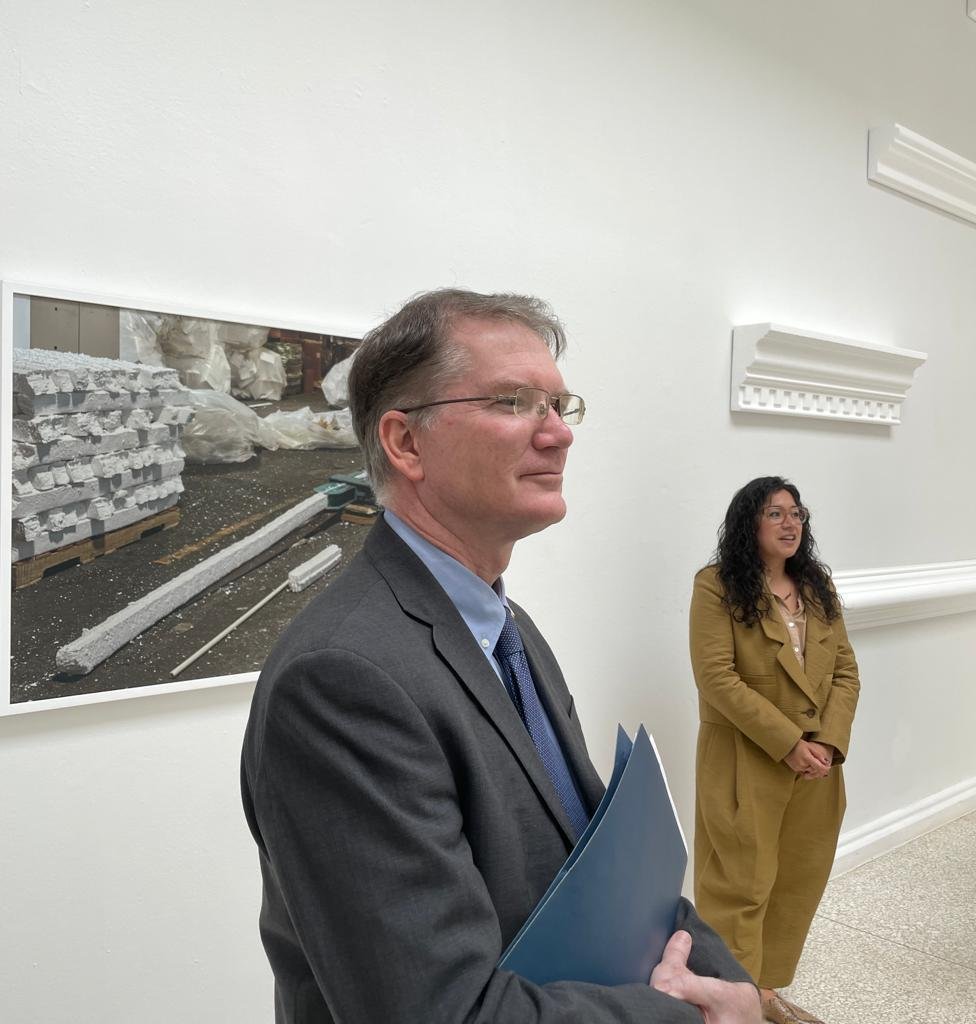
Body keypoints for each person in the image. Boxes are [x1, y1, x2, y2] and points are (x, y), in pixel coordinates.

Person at [241, 288, 761, 1023]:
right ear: (406, 442)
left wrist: (733, 987)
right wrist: (692, 1017)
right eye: (514, 402)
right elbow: (444, 1013)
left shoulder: (509, 631)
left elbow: (602, 868)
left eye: (560, 406)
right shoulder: (341, 680)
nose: (558, 435)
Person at [688, 477, 860, 1024]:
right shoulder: (717, 585)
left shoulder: (817, 587)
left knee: (796, 878)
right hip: (747, 758)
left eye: (797, 514)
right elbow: (716, 677)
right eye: (775, 514)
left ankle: (761, 995)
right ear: (749, 523)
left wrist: (829, 743)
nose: (791, 524)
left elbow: (845, 673)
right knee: (740, 883)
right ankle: (729, 1001)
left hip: (818, 768)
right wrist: (788, 743)